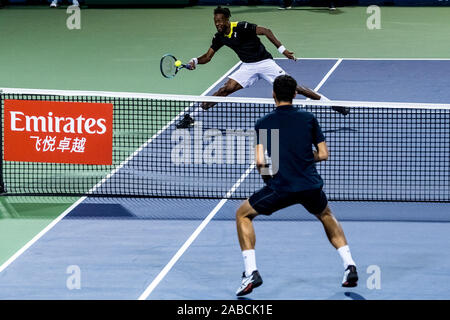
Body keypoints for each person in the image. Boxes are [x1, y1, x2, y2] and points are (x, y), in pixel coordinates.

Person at [235, 75, 358, 296]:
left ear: (273, 94)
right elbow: (323, 154)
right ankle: (349, 265)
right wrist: (301, 158)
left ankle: (251, 271)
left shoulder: (264, 123)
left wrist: (269, 182)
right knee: (326, 214)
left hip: (280, 188)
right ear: (295, 94)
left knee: (243, 214)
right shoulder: (308, 118)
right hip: (310, 186)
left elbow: (261, 162)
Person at [176, 6, 347, 129]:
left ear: (227, 20)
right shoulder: (219, 37)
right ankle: (191, 117)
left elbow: (266, 31)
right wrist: (195, 62)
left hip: (265, 63)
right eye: (216, 22)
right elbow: (208, 56)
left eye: (220, 21)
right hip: (247, 66)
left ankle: (331, 104)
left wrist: (283, 50)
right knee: (224, 90)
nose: (218, 24)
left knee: (294, 88)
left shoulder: (242, 27)